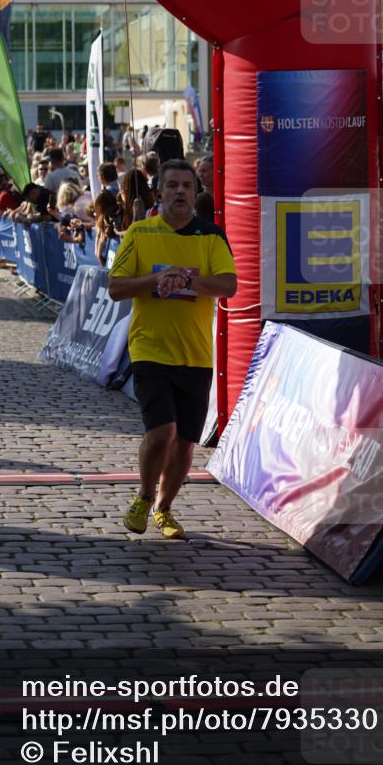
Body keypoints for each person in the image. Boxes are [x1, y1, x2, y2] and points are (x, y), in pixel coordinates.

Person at [108, 159, 237, 540]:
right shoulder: (139, 232)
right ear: (159, 192)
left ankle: (165, 509)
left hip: (196, 355)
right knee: (162, 431)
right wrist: (156, 279)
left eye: (187, 186)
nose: (180, 191)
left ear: (195, 194)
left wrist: (187, 281)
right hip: (150, 350)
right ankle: (145, 497)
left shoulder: (211, 237)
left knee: (184, 445)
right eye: (172, 185)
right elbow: (116, 288)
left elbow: (229, 285)